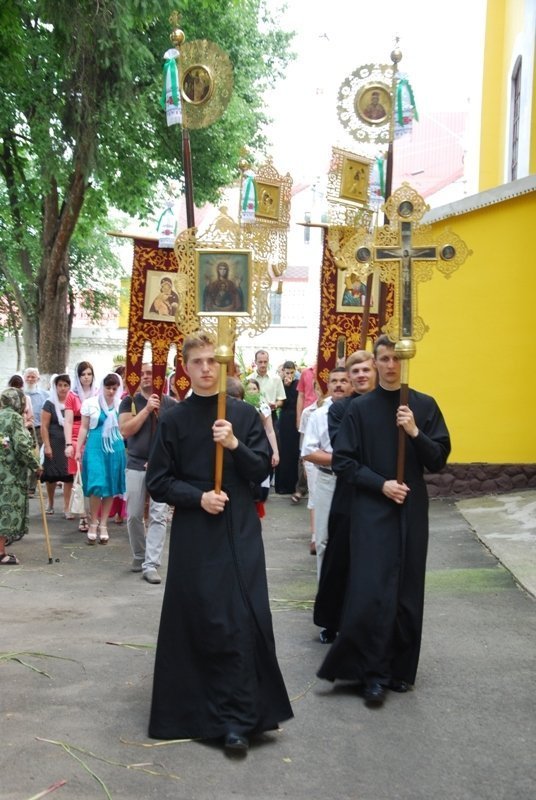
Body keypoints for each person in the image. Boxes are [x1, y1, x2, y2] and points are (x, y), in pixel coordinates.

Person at [145, 331, 293, 752]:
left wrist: (233, 444)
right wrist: (197, 497)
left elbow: (262, 469)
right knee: (202, 615)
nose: (206, 368)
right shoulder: (173, 419)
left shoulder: (243, 415)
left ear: (223, 366)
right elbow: (158, 481)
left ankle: (240, 716)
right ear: (186, 368)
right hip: (196, 531)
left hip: (240, 525)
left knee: (243, 616)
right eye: (198, 362)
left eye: (213, 360)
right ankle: (201, 713)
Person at [318, 335, 451, 706]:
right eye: (384, 359)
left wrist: (414, 432)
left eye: (396, 358)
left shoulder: (424, 406)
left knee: (407, 588)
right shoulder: (359, 410)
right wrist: (382, 484)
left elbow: (438, 459)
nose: (390, 365)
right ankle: (370, 673)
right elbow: (344, 462)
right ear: (375, 363)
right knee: (372, 588)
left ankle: (400, 670)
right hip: (372, 508)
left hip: (410, 509)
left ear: (405, 362)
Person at [313, 350, 377, 643]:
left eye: (366, 370)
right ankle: (332, 621)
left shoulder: (389, 403)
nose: (361, 375)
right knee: (339, 555)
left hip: (379, 491)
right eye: (356, 372)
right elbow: (343, 450)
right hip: (348, 490)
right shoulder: (339, 410)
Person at [118, 363, 175, 583]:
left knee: (158, 515)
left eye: (150, 373)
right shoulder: (129, 401)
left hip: (160, 467)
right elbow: (125, 430)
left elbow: (173, 438)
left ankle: (151, 564)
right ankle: (139, 555)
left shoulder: (169, 403)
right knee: (133, 515)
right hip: (134, 463)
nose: (146, 377)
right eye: (141, 374)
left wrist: (160, 460)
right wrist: (147, 409)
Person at [301, 367, 350, 585]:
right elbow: (309, 451)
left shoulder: (358, 411)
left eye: (343, 380)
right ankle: (324, 591)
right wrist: (343, 460)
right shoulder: (318, 415)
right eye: (334, 381)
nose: (339, 385)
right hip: (328, 480)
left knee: (353, 538)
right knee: (323, 539)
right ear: (328, 385)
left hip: (355, 481)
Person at [75, 373, 126, 545]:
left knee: (110, 485)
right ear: (102, 386)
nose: (111, 391)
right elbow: (83, 427)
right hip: (95, 445)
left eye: (114, 388)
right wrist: (77, 448)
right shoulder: (90, 403)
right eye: (108, 387)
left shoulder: (121, 405)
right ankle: (93, 522)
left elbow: (126, 428)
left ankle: (104, 524)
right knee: (97, 485)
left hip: (115, 446)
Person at [0, 388, 41, 564]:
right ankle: (1, 553)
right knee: (5, 510)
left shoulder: (1, 415)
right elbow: (22, 447)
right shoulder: (14, 418)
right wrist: (36, 466)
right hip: (10, 473)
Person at [40, 374, 75, 517]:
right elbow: (44, 426)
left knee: (68, 476)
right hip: (53, 442)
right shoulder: (49, 403)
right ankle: (51, 502)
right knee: (51, 475)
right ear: (55, 386)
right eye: (60, 385)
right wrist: (47, 446)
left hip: (68, 443)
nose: (63, 388)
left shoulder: (73, 401)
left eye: (65, 385)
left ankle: (67, 507)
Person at [274, 361, 301, 495]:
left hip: (294, 418)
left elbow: (297, 401)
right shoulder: (280, 383)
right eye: (287, 372)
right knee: (282, 449)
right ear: (283, 371)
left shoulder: (297, 384)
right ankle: (280, 485)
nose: (289, 374)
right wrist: (285, 386)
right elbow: (280, 401)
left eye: (291, 372)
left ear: (295, 372)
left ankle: (291, 485)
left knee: (292, 451)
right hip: (284, 419)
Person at [23, 368, 49, 496]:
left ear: (38, 379)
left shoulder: (45, 395)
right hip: (22, 429)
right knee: (23, 456)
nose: (30, 379)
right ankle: (22, 484)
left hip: (39, 429)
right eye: (28, 376)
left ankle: (31, 488)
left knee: (36, 458)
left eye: (33, 377)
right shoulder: (19, 394)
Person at [247, 350, 286, 424]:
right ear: (255, 362)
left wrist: (276, 405)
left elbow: (281, 399)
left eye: (265, 362)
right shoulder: (248, 379)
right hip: (254, 415)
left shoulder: (276, 379)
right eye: (260, 362)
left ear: (268, 361)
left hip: (271, 415)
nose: (263, 365)